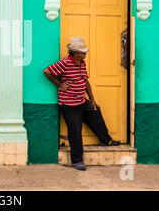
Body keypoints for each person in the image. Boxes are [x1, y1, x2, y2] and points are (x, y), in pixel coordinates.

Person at [43, 37, 120, 171]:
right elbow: (47, 72)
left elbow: (85, 81)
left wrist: (92, 99)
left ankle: (106, 139)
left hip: (81, 100)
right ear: (73, 52)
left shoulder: (82, 63)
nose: (84, 54)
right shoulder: (65, 63)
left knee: (95, 110)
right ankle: (77, 160)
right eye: (81, 52)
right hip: (69, 103)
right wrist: (60, 84)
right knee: (75, 130)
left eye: (84, 52)